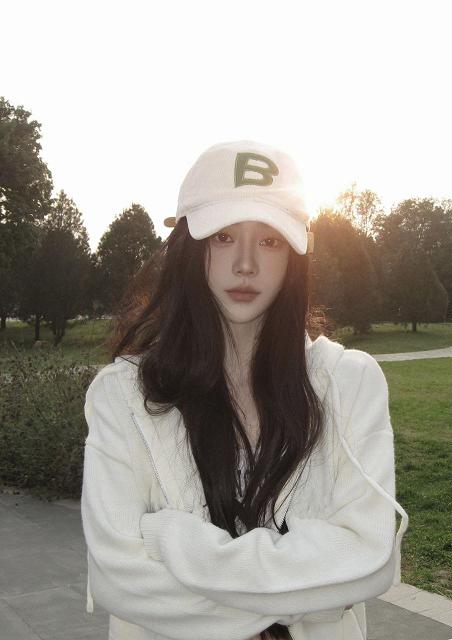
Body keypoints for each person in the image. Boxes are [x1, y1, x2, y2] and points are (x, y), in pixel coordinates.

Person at [80, 139, 409, 640]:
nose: (246, 264)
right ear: (189, 247)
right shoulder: (123, 394)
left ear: (296, 254)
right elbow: (118, 581)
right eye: (223, 236)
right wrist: (314, 598)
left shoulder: (350, 382)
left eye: (270, 240)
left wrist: (177, 543)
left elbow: (370, 558)